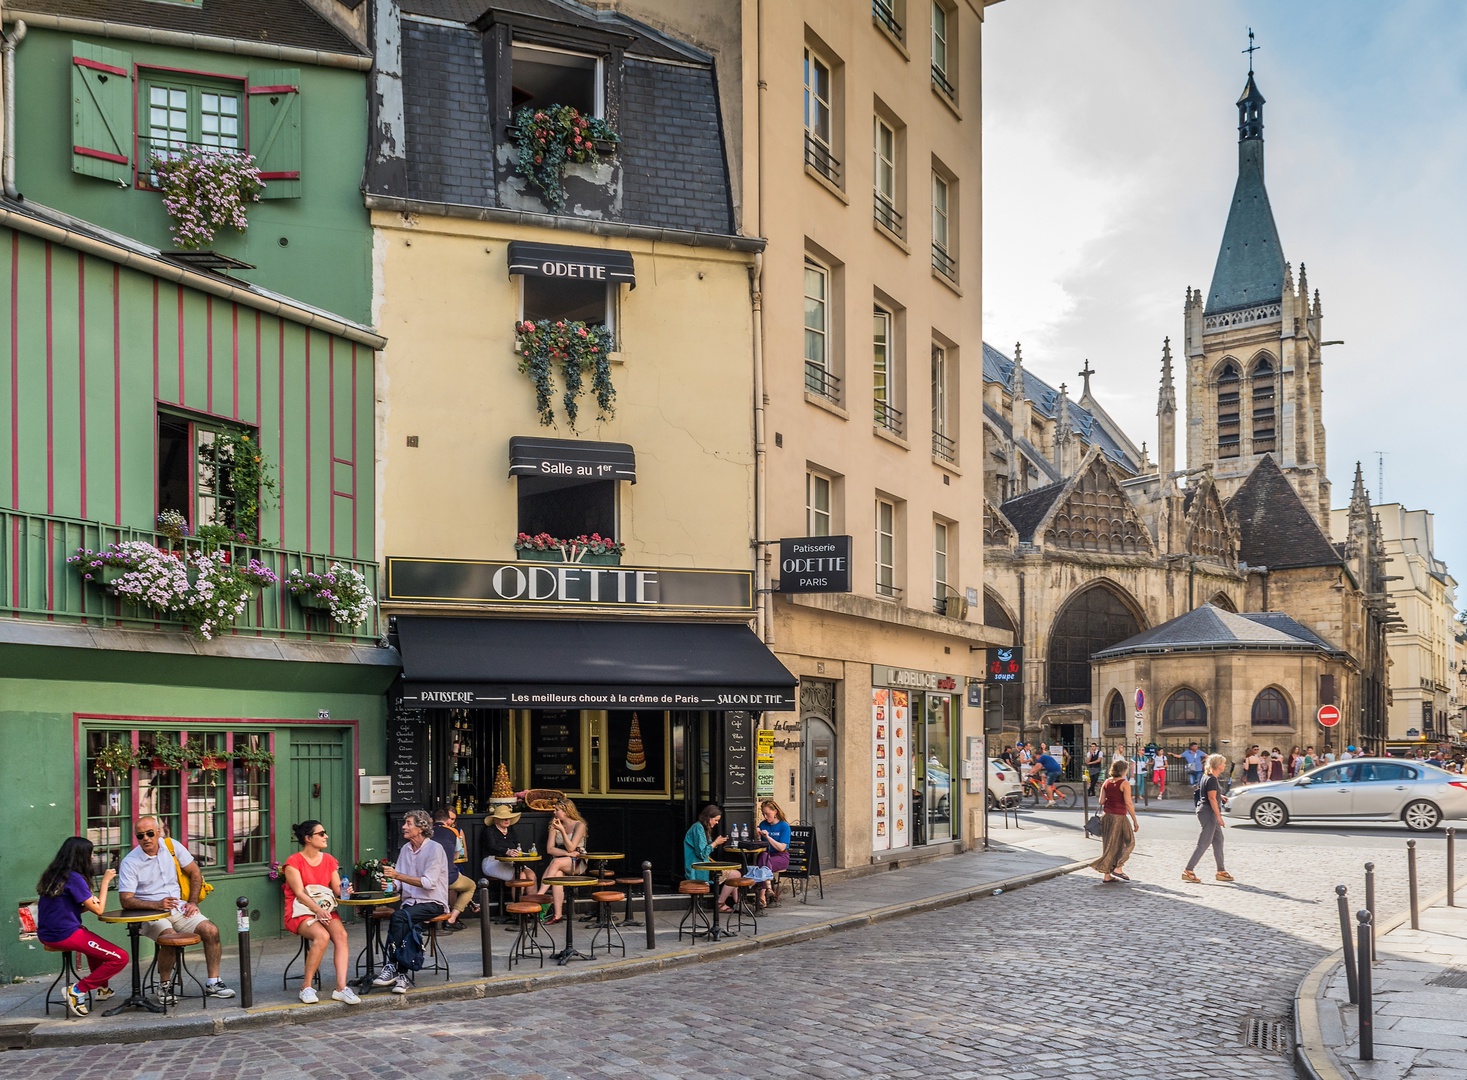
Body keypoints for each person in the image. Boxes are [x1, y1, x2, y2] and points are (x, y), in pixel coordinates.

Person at [118, 815, 235, 999]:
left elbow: (195, 872)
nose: (146, 839)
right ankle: (164, 986)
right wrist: (156, 905)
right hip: (149, 913)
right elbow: (125, 900)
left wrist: (193, 902)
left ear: (158, 833)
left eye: (150, 834)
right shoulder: (130, 862)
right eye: (140, 836)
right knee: (170, 938)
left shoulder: (171, 846)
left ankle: (213, 982)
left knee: (211, 930)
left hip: (178, 908)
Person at [36, 836, 128, 1017]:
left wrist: (87, 904)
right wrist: (106, 882)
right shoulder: (74, 878)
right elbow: (100, 910)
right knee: (120, 957)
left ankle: (103, 989)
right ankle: (78, 990)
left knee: (92, 947)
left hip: (48, 933)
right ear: (81, 856)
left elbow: (67, 908)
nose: (93, 857)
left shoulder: (54, 875)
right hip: (64, 934)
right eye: (91, 853)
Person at [281, 820, 359, 1005]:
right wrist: (317, 910)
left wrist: (346, 891)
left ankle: (341, 988)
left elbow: (337, 890)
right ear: (308, 838)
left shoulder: (329, 860)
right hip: (300, 910)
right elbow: (299, 893)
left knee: (341, 935)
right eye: (321, 833)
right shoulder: (294, 861)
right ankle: (306, 987)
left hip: (323, 908)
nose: (326, 836)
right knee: (322, 936)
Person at [372, 810, 449, 994]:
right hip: (411, 904)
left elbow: (428, 883)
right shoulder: (405, 849)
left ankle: (391, 966)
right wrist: (391, 884)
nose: (403, 827)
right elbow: (399, 882)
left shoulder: (435, 849)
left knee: (399, 917)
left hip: (433, 901)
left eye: (408, 823)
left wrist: (398, 876)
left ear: (421, 827)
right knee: (409, 924)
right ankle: (402, 976)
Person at [1182, 754, 1233, 884]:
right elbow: (1210, 798)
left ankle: (1221, 871)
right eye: (1223, 763)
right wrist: (1219, 816)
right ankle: (1188, 870)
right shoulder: (1212, 779)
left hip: (1205, 810)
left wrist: (1220, 796)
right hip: (1208, 812)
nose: (1225, 765)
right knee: (1204, 842)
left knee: (1218, 840)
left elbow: (1209, 793)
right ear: (1217, 765)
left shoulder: (1208, 777)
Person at [1090, 761, 1139, 883]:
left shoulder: (1106, 782)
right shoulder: (1124, 783)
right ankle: (1118, 867)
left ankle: (1107, 875)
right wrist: (1134, 820)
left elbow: (1101, 801)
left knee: (1109, 845)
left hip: (1106, 816)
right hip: (1119, 816)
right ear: (1123, 770)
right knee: (1130, 842)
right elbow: (1128, 803)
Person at [683, 803, 739, 911]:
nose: (717, 823)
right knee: (736, 874)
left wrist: (715, 843)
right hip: (698, 869)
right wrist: (715, 843)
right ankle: (721, 903)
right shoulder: (698, 829)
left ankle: (738, 903)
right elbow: (702, 853)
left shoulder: (701, 828)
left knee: (735, 874)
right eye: (716, 820)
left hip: (702, 866)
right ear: (709, 818)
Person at [541, 799, 588, 925]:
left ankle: (539, 895)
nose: (554, 812)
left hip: (578, 861)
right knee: (557, 875)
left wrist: (562, 830)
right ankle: (558, 915)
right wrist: (567, 854)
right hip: (564, 858)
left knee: (556, 863)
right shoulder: (554, 824)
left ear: (566, 812)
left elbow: (572, 847)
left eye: (557, 810)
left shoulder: (580, 825)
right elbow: (550, 849)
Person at [431, 805, 476, 929]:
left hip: (429, 877)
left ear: (432, 820)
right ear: (446, 821)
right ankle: (451, 918)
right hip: (448, 876)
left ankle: (431, 920)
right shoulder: (454, 832)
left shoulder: (426, 832)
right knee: (471, 886)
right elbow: (457, 855)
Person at [752, 799, 791, 908]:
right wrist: (758, 835)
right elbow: (760, 844)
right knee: (764, 857)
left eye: (767, 814)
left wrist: (768, 837)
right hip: (766, 856)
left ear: (775, 812)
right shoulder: (763, 824)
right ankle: (768, 888)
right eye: (763, 814)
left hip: (781, 856)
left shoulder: (784, 826)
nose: (765, 816)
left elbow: (782, 847)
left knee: (763, 862)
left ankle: (762, 895)